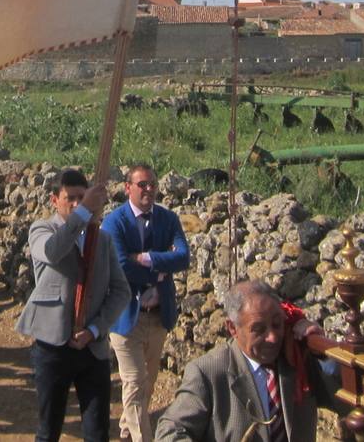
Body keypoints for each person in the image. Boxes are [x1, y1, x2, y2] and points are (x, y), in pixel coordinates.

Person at [16, 168, 130, 442]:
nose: (78, 204)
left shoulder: (101, 240)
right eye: (71, 198)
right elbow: (54, 251)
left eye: (83, 198)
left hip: (92, 348)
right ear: (55, 200)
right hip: (52, 346)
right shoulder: (42, 229)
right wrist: (83, 214)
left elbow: (121, 290)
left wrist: (95, 329)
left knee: (98, 432)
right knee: (49, 430)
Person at [156, 280, 330, 442]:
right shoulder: (207, 373)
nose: (272, 337)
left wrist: (320, 347)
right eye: (259, 329)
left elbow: (345, 389)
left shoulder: (295, 357)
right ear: (232, 328)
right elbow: (169, 431)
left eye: (277, 324)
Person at [103, 164, 191, 442]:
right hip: (125, 316)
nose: (149, 189)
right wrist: (162, 266)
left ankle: (127, 433)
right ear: (128, 187)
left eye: (152, 184)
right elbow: (119, 266)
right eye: (142, 184)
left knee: (147, 383)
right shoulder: (114, 222)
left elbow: (184, 257)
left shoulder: (168, 219)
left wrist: (147, 258)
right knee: (134, 381)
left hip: (157, 316)